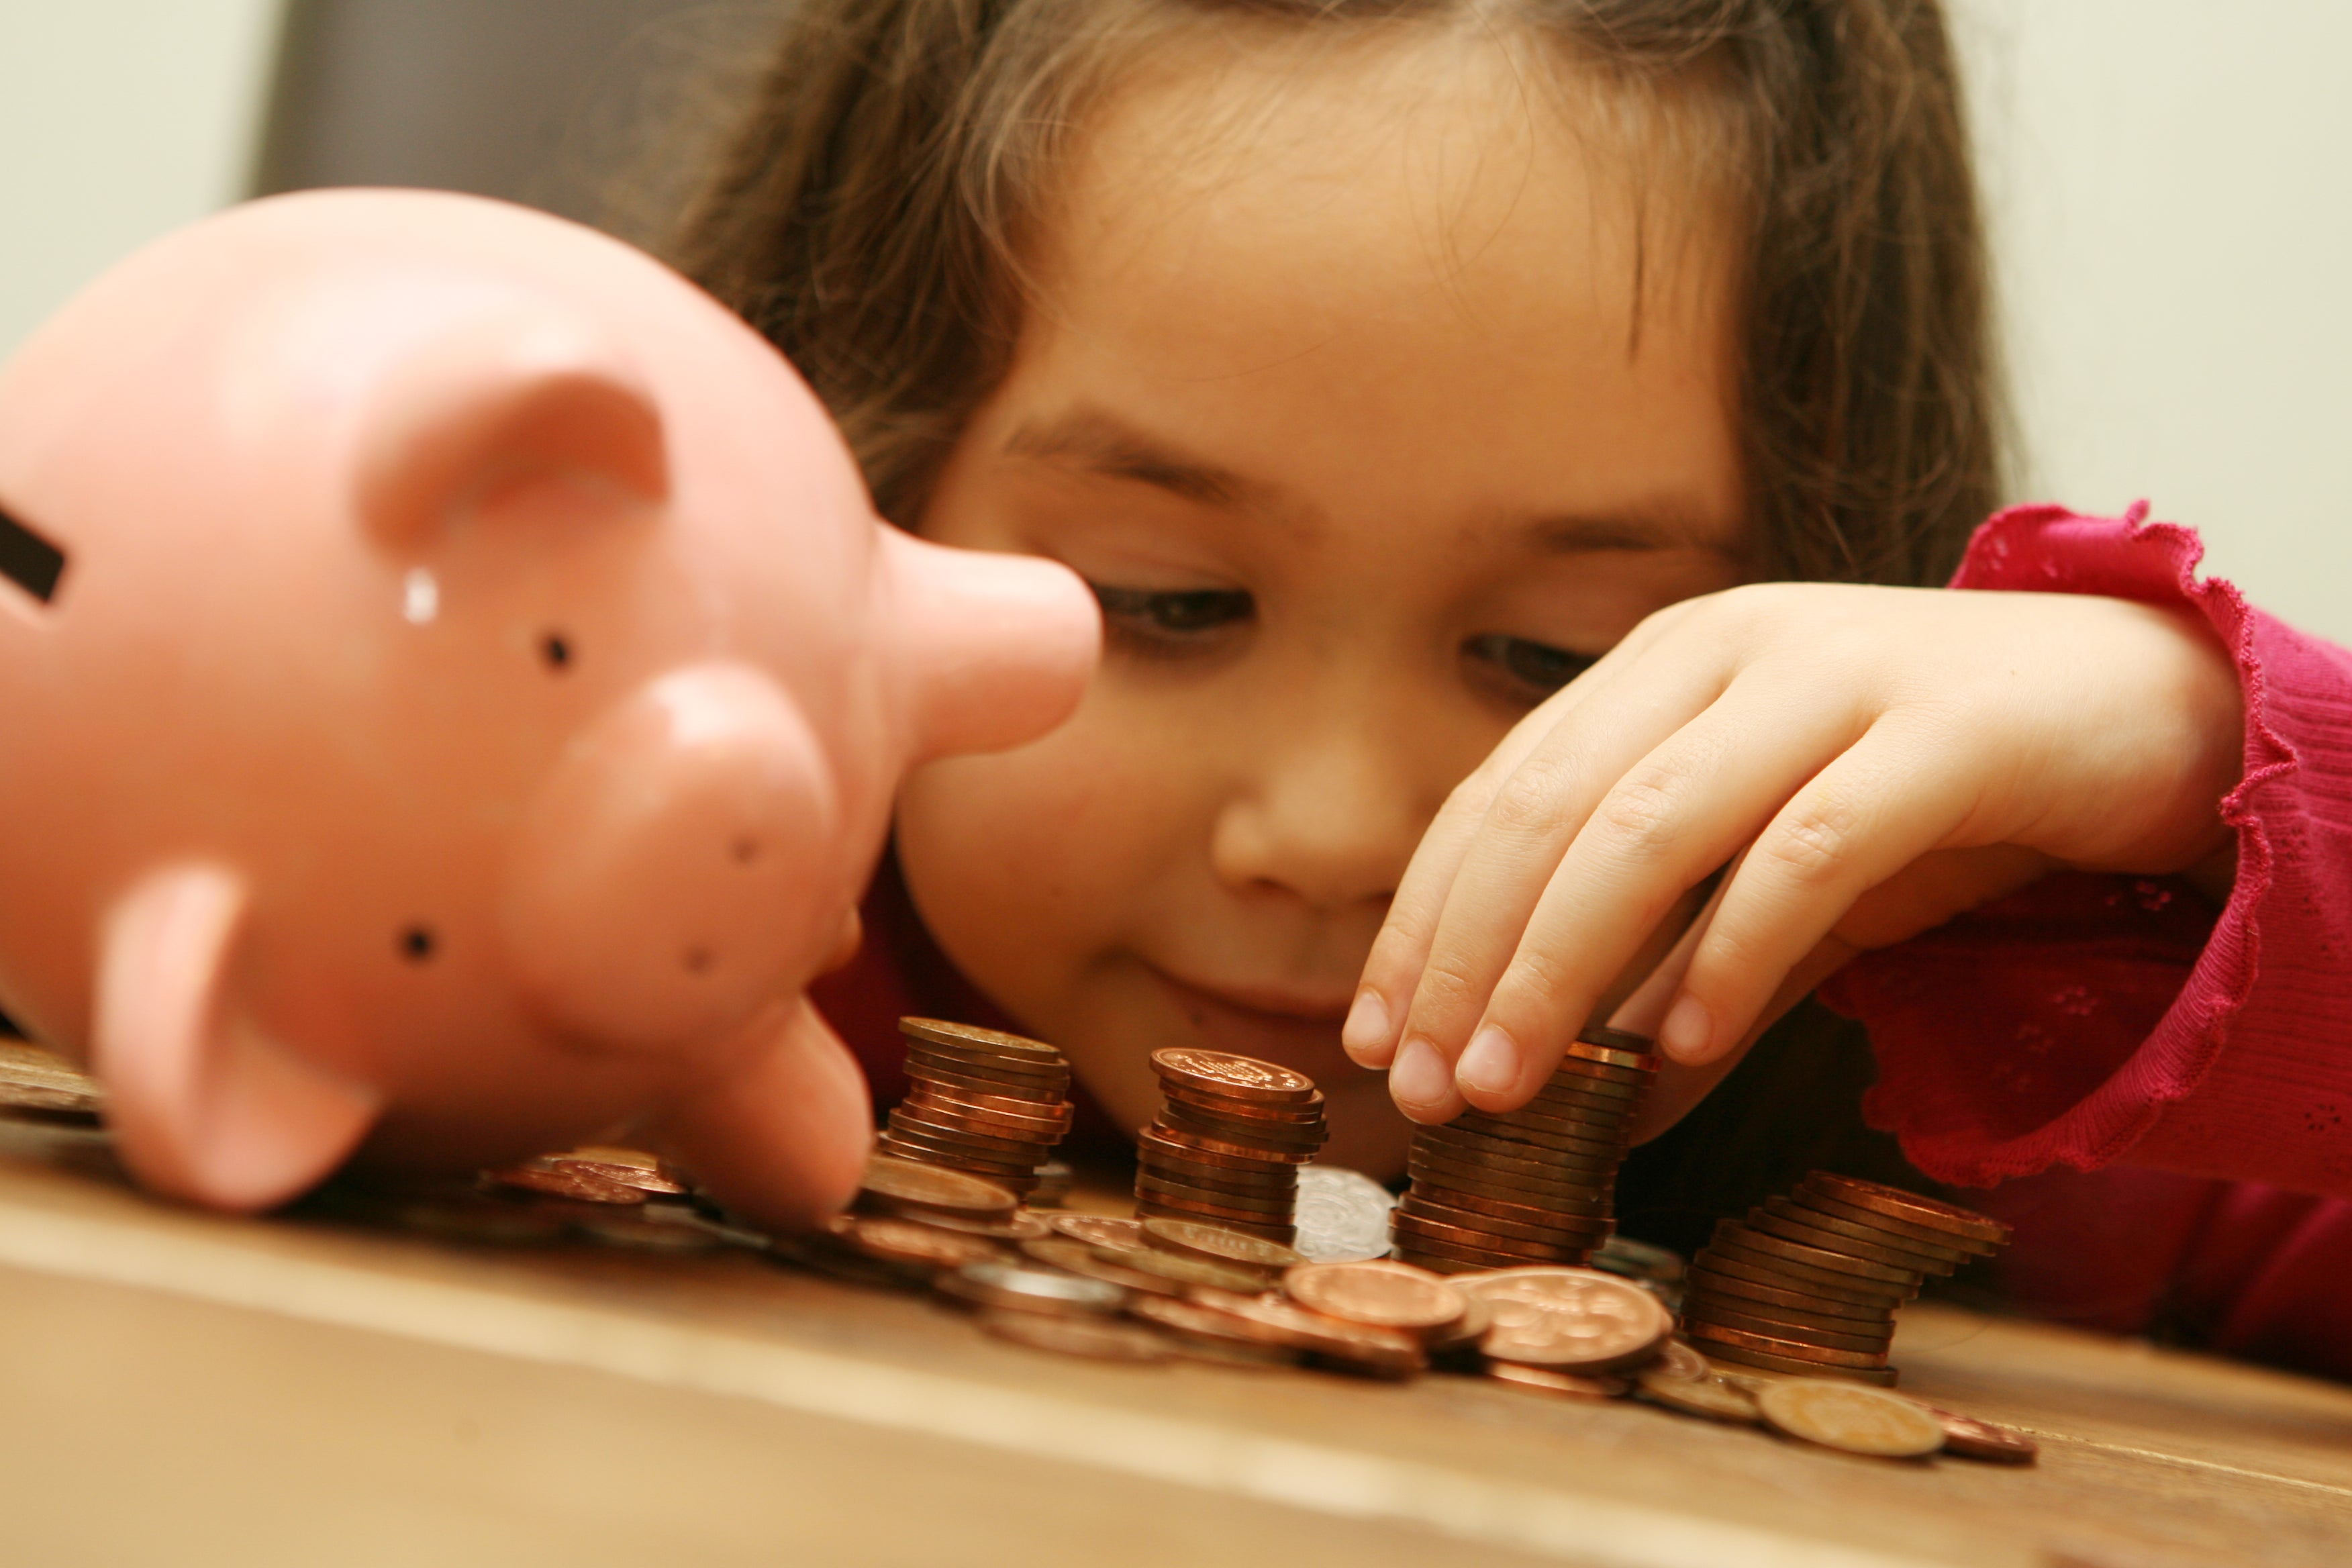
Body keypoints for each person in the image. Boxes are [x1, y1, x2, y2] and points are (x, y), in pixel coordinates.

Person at [663, 0, 2352, 1376]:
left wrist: (2212, 786)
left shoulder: (2050, 1043)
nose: (1327, 830)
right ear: (849, 477)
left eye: (1559, 654)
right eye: (1166, 601)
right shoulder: (586, 919)